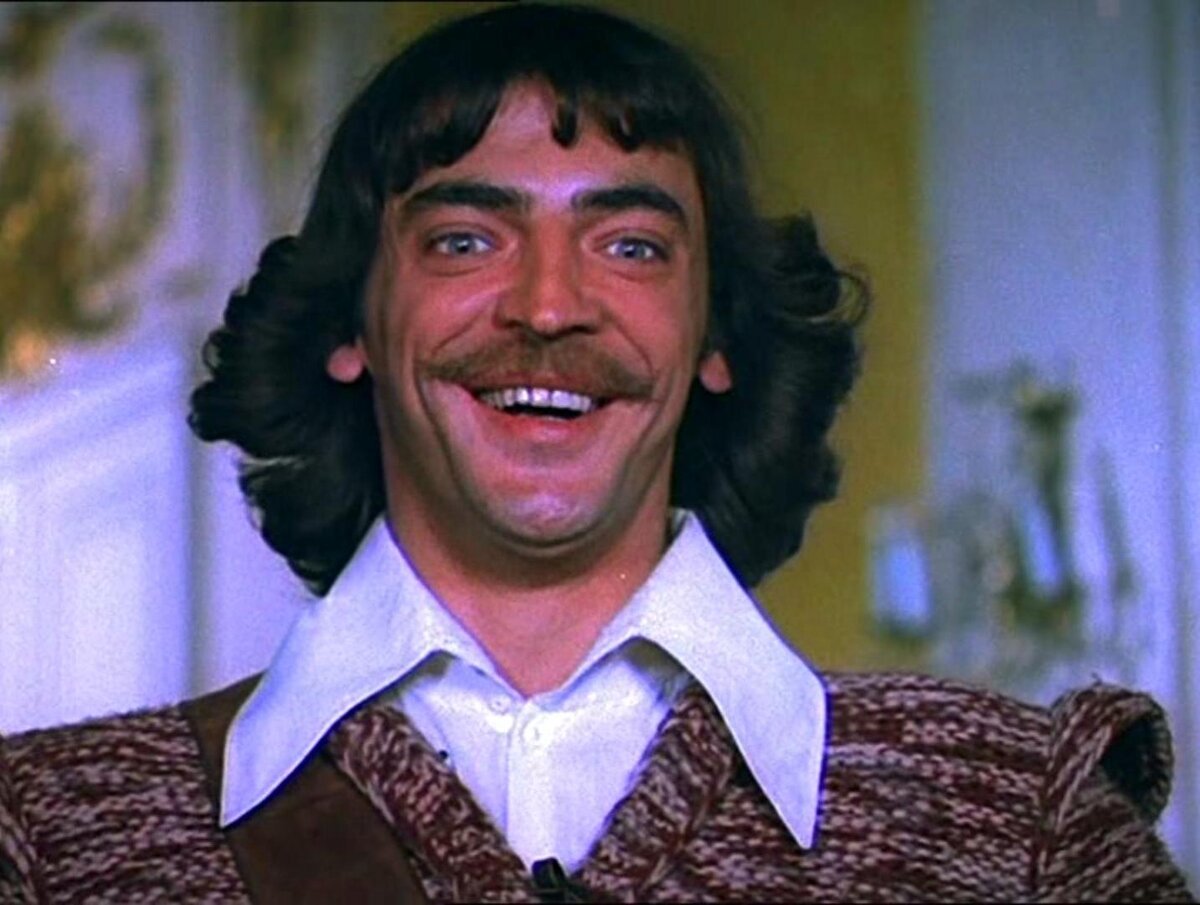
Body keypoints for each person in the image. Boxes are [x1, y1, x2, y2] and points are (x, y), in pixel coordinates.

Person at [0, 4, 1193, 902]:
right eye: (466, 239)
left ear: (715, 337)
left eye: (630, 246)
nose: (550, 305)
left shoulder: (1018, 822)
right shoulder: (50, 838)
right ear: (349, 326)